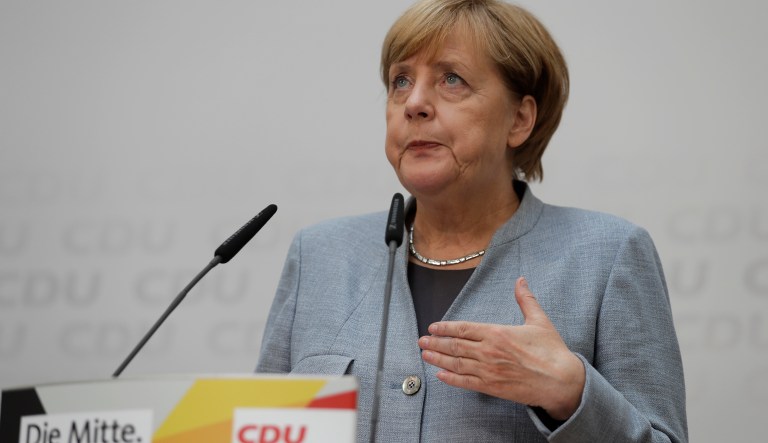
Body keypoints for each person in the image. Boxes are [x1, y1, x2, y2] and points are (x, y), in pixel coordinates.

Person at [257, 0, 688, 441]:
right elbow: (257, 426)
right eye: (401, 81)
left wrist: (572, 394)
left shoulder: (608, 255)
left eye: (452, 79)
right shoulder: (319, 255)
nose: (414, 103)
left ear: (519, 119)